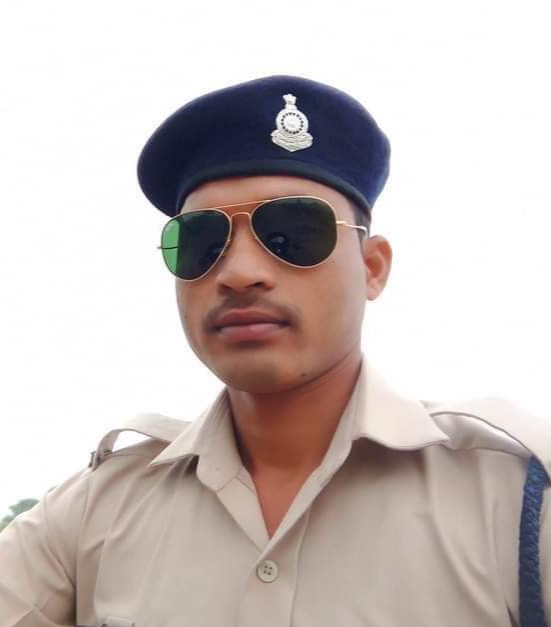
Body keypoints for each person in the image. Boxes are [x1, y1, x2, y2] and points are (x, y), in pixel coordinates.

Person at [0, 75, 549, 627]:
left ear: (372, 268)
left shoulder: (515, 498)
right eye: (202, 243)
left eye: (292, 235)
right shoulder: (96, 511)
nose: (239, 273)